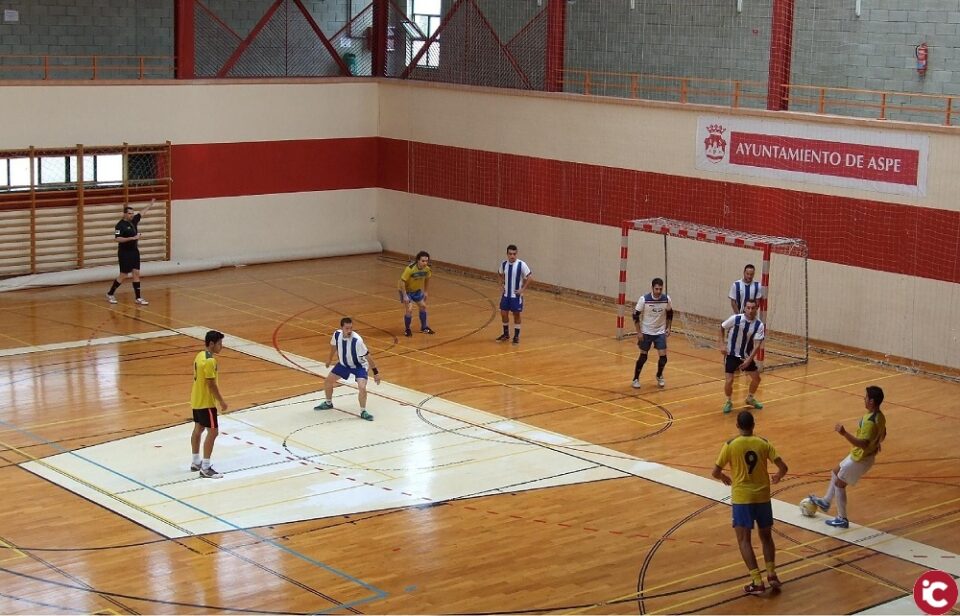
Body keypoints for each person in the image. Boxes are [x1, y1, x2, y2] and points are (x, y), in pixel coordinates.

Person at [712, 410, 788, 596]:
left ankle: (756, 580)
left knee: (744, 540)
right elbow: (783, 467)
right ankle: (771, 574)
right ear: (753, 425)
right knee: (766, 537)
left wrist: (723, 477)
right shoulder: (763, 443)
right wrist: (777, 476)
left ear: (737, 426)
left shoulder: (730, 445)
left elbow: (715, 471)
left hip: (742, 499)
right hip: (762, 496)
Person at [808, 386, 887, 529]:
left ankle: (842, 518)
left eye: (866, 397)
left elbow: (862, 444)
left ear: (872, 401)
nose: (864, 399)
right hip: (860, 455)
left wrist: (844, 433)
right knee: (835, 471)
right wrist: (876, 443)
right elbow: (883, 433)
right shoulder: (880, 417)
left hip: (861, 458)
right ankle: (826, 501)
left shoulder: (869, 422)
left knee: (840, 483)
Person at [313, 317, 381, 421]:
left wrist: (376, 373)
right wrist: (329, 359)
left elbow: (368, 356)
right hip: (344, 364)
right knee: (328, 381)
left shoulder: (357, 341)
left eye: (351, 328)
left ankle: (363, 411)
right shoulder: (336, 335)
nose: (349, 331)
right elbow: (333, 347)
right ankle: (328, 403)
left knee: (362, 387)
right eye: (347, 328)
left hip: (359, 366)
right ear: (342, 328)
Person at [190, 330, 228, 479]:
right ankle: (205, 467)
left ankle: (195, 461)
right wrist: (222, 401)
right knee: (213, 432)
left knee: (198, 428)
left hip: (196, 399)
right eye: (219, 344)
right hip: (206, 402)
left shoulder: (200, 355)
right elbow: (211, 384)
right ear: (212, 344)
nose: (221, 347)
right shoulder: (210, 361)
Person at [719, 298, 765, 414]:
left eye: (753, 308)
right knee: (729, 381)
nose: (750, 310)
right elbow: (722, 327)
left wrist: (749, 360)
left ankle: (750, 398)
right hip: (731, 355)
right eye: (748, 308)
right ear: (744, 308)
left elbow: (757, 344)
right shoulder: (736, 318)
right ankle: (728, 401)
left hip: (746, 356)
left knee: (757, 379)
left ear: (757, 309)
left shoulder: (759, 325)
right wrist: (722, 345)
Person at [107, 198, 156, 305]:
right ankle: (110, 293)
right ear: (124, 214)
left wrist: (150, 204)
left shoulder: (133, 221)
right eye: (129, 214)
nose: (131, 215)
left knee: (136, 273)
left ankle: (138, 298)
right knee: (123, 274)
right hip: (124, 253)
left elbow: (142, 213)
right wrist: (132, 238)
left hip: (134, 251)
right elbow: (117, 239)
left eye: (132, 213)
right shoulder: (119, 225)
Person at [631, 277, 673, 389]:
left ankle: (659, 375)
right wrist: (639, 332)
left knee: (663, 357)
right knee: (643, 356)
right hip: (646, 331)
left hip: (660, 331)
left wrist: (669, 327)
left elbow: (670, 314)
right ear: (652, 288)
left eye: (660, 289)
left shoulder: (666, 299)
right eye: (656, 289)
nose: (658, 291)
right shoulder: (644, 299)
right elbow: (635, 315)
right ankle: (635, 378)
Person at [495, 244, 533, 344]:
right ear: (507, 254)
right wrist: (501, 285)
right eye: (510, 254)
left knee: (516, 315)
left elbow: (529, 277)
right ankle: (506, 334)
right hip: (506, 295)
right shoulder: (504, 264)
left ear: (517, 254)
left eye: (514, 254)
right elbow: (499, 274)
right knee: (503, 313)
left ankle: (516, 336)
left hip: (516, 296)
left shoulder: (521, 264)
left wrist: (522, 289)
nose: (512, 256)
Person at [398, 251, 435, 337]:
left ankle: (424, 327)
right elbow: (402, 282)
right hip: (406, 291)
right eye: (423, 261)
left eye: (426, 261)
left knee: (423, 306)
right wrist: (405, 296)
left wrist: (425, 291)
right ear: (418, 260)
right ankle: (407, 329)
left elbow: (427, 279)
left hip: (416, 290)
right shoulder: (410, 269)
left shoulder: (427, 269)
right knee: (409, 309)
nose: (425, 263)